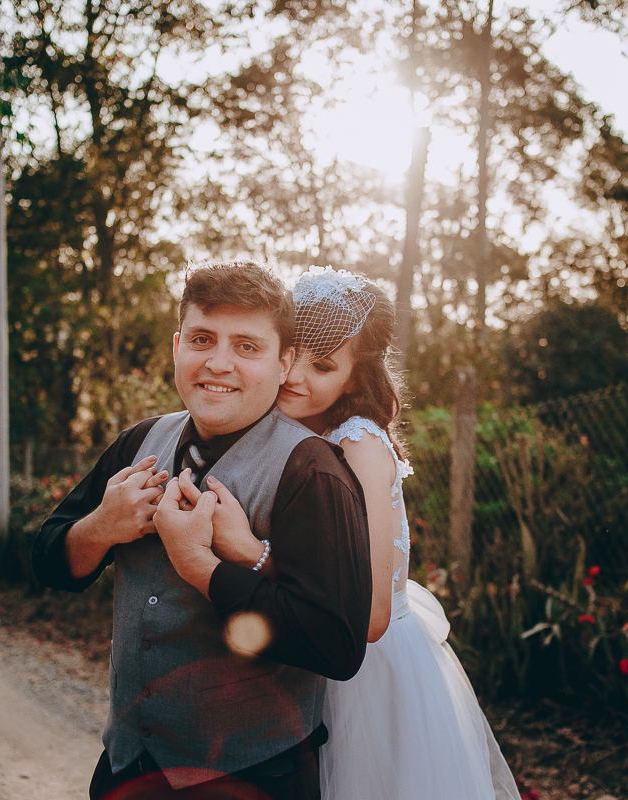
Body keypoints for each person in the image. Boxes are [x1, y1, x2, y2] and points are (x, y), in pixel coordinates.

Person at [31, 260, 373, 800]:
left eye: (247, 347)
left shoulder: (315, 472)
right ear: (176, 347)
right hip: (127, 770)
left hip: (255, 777)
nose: (218, 362)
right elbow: (45, 562)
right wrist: (100, 528)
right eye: (202, 339)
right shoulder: (136, 443)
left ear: (284, 363)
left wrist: (203, 570)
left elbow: (335, 644)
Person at [210, 267, 522, 800]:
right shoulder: (291, 431)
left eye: (323, 365)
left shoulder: (358, 446)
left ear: (355, 378)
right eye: (292, 352)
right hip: (303, 655)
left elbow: (372, 613)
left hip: (365, 680)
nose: (295, 376)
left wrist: (254, 554)